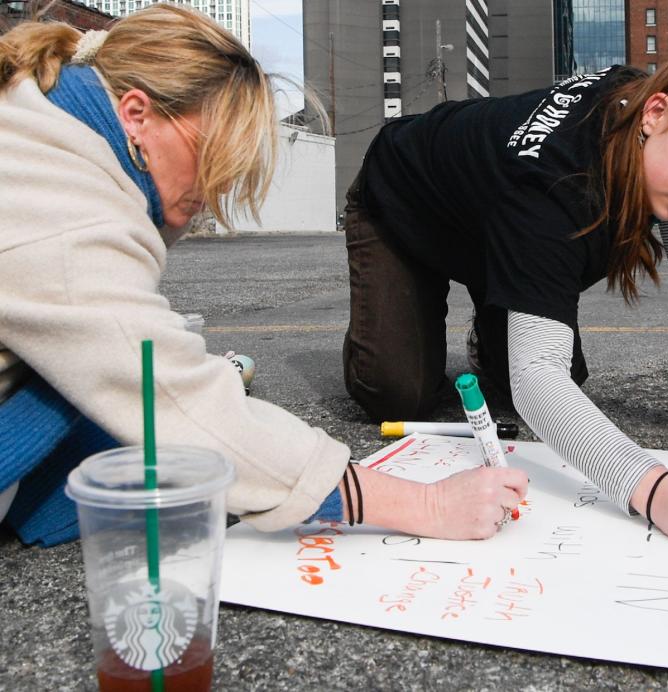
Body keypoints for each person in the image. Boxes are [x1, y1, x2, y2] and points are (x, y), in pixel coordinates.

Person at [0, 5, 526, 547]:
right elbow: (174, 401)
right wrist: (424, 501)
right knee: (154, 402)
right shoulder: (63, 207)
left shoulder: (36, 129)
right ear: (137, 115)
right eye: (211, 157)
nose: (214, 190)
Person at [343, 33, 668, 546]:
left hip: (491, 231)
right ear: (654, 114)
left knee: (558, 382)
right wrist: (655, 490)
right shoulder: (555, 186)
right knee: (396, 392)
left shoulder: (651, 125)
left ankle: (494, 315)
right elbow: (539, 379)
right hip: (403, 204)